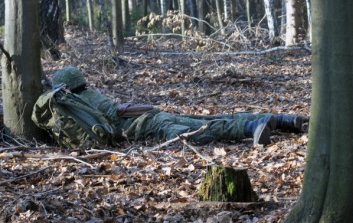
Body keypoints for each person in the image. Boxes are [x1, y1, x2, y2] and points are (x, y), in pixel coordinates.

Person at [32, 66, 306, 148]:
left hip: (147, 125)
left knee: (201, 125)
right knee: (203, 121)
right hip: (151, 119)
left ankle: (256, 125)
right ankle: (277, 119)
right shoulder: (87, 97)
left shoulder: (72, 106)